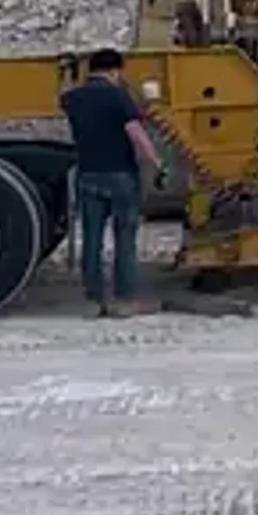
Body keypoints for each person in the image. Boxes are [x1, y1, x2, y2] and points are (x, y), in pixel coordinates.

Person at [60, 47, 163, 315]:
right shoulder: (118, 96)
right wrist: (155, 162)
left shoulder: (73, 98)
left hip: (87, 175)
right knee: (124, 239)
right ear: (115, 70)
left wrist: (68, 71)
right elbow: (136, 134)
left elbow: (64, 93)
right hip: (120, 175)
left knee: (92, 240)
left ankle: (93, 300)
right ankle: (125, 300)